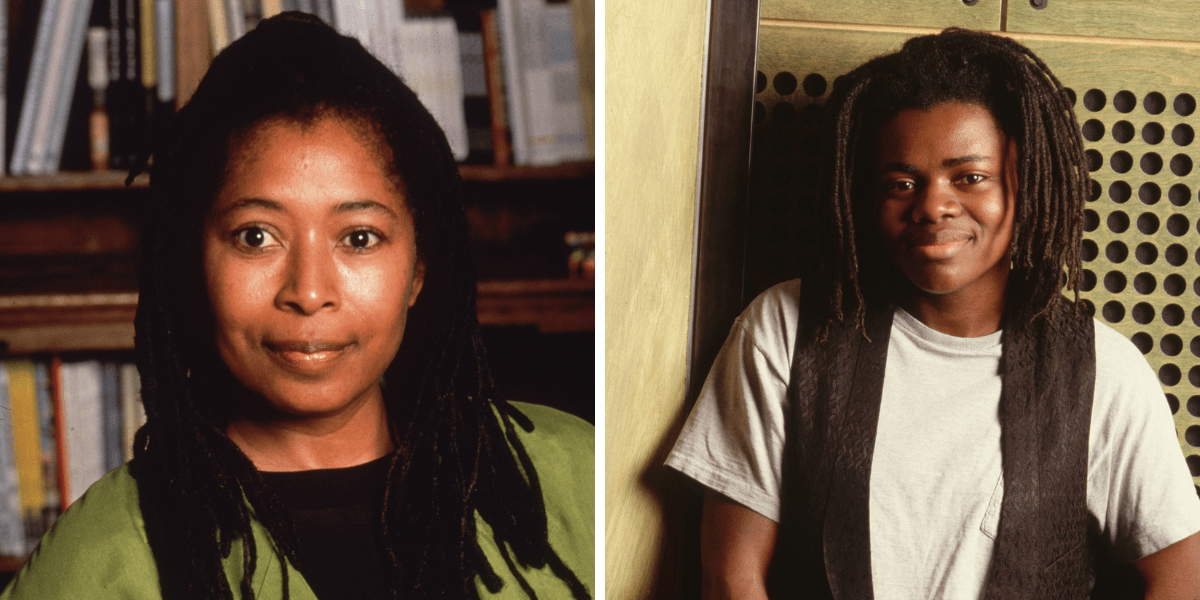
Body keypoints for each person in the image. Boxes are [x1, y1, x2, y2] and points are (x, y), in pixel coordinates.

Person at [0, 12, 592, 600]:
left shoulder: (573, 477)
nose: (308, 293)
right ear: (193, 262)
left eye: (359, 238)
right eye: (256, 236)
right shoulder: (100, 558)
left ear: (418, 271)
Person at [667, 28, 1200, 599]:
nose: (932, 207)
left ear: (1026, 182)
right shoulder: (786, 328)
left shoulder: (1102, 372)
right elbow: (731, 577)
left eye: (969, 177)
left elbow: (1181, 575)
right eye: (902, 183)